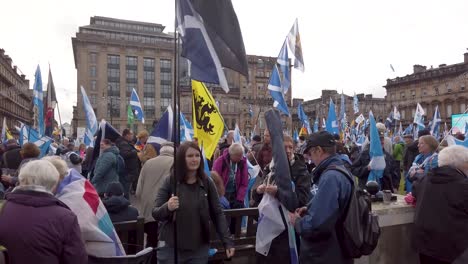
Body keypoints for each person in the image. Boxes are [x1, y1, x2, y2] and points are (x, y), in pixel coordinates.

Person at [152, 141, 234, 263]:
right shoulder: (170, 181)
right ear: (181, 158)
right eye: (190, 156)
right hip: (172, 248)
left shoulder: (207, 182)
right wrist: (167, 207)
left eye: (197, 155)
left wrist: (227, 241)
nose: (194, 159)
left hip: (198, 248)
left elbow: (217, 213)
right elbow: (156, 212)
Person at [0, 160, 87, 263]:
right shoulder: (65, 217)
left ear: (22, 180)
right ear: (55, 184)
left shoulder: (2, 208)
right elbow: (76, 259)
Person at [289, 131, 353, 264]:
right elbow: (334, 209)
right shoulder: (340, 170)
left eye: (310, 153)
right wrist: (311, 207)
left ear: (319, 150)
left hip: (325, 254)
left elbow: (317, 226)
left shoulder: (330, 177)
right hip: (337, 252)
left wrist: (298, 222)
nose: (309, 158)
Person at [252, 134, 310, 263]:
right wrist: (258, 191)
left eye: (291, 147)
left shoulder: (301, 170)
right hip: (268, 227)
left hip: (288, 231)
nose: (288, 151)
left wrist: (278, 193)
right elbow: (255, 199)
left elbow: (302, 200)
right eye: (285, 148)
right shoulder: (270, 168)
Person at [412, 145, 468, 264]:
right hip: (455, 250)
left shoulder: (424, 180)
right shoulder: (463, 186)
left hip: (425, 243)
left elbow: (415, 190)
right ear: (463, 164)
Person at [135, 142, 174, 248]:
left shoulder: (147, 163)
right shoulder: (176, 163)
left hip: (149, 211)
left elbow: (138, 191)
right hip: (167, 210)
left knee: (151, 243)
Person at [212, 143, 248, 210]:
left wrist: (239, 199)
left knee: (236, 217)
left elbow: (244, 183)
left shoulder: (242, 163)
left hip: (235, 195)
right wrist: (219, 197)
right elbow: (215, 180)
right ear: (232, 154)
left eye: (241, 155)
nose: (241, 158)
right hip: (222, 195)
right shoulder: (220, 162)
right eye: (238, 156)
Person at [115, 129, 140, 195]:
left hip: (128, 172)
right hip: (127, 172)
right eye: (131, 134)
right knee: (125, 192)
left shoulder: (125, 143)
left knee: (126, 191)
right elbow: (124, 154)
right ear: (127, 135)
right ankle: (125, 204)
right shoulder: (123, 143)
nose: (132, 136)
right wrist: (135, 152)